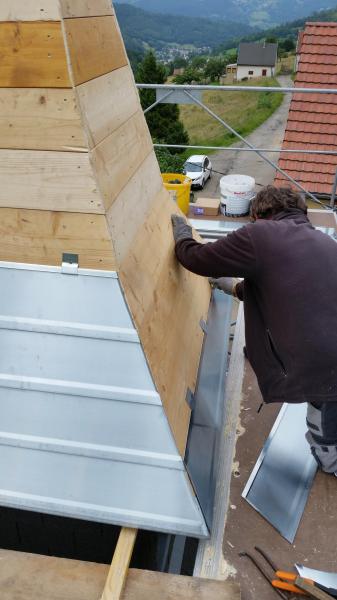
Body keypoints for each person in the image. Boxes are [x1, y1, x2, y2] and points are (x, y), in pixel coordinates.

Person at [171, 185, 337, 475]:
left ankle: (331, 460)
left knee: (325, 416)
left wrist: (183, 234)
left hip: (322, 360)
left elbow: (196, 258)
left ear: (260, 215)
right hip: (329, 341)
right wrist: (236, 288)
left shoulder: (259, 235)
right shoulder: (324, 242)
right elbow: (288, 283)